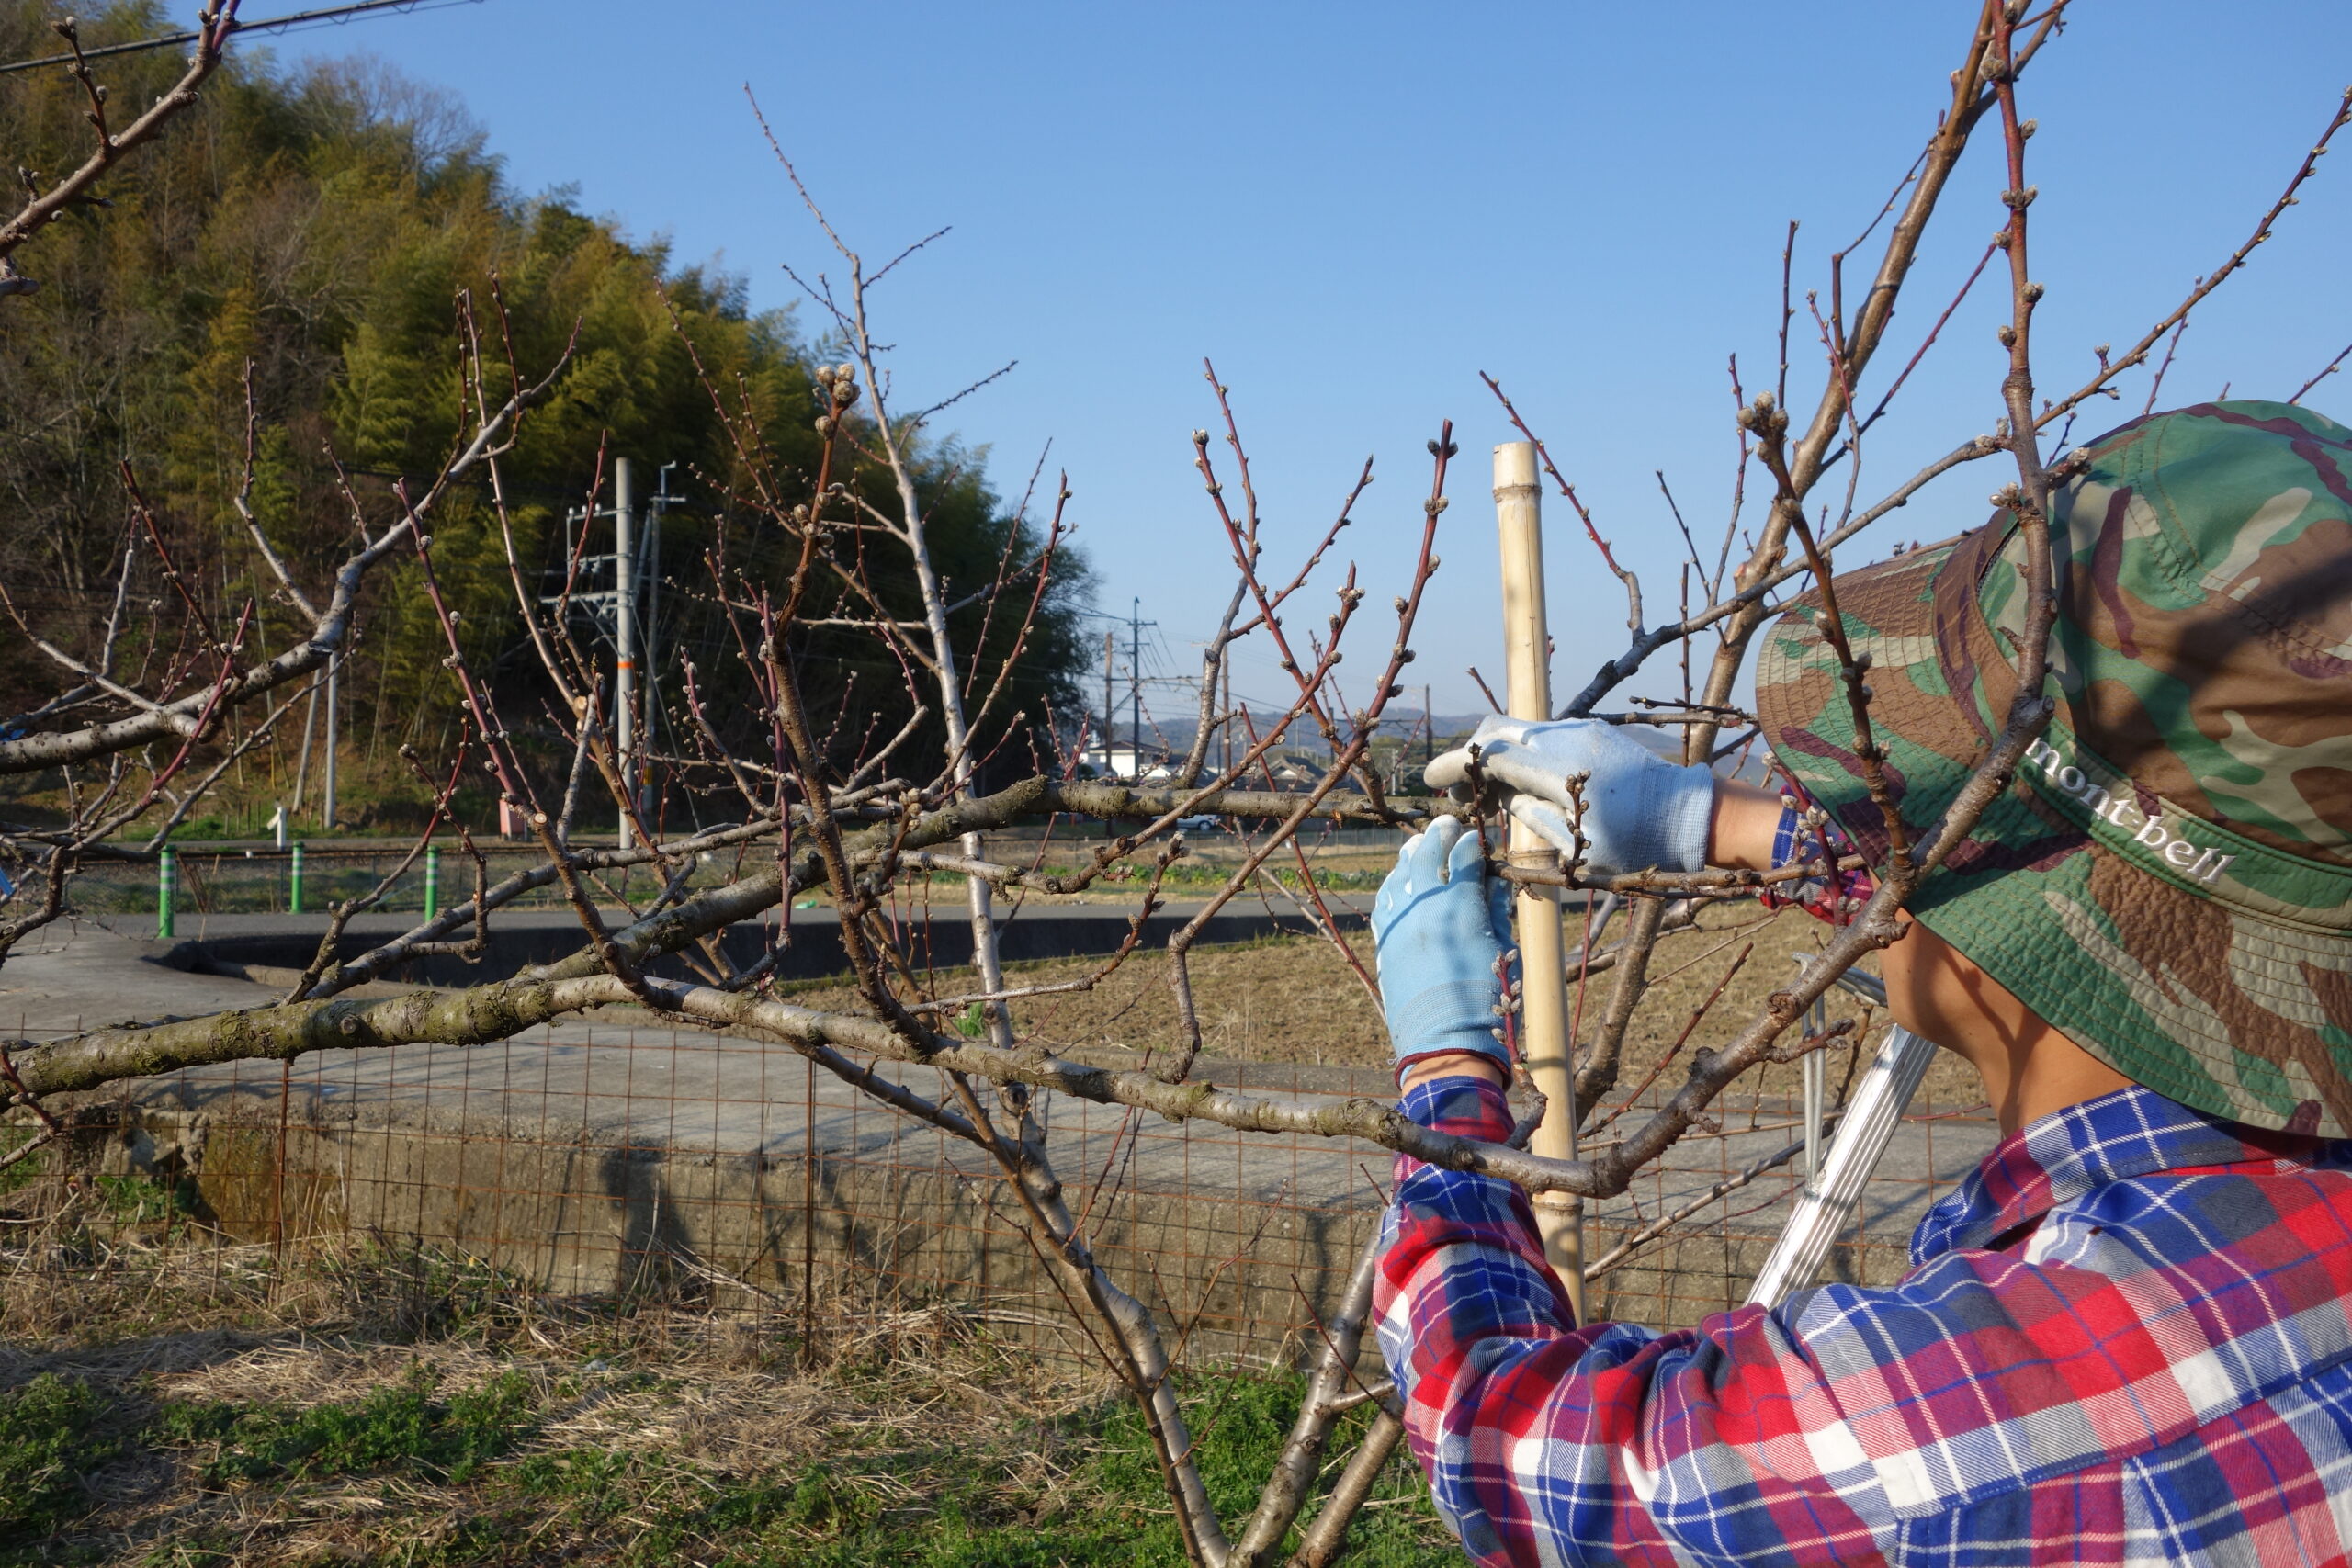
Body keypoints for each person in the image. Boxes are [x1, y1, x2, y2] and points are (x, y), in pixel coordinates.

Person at [1369, 400, 2352, 1566]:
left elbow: (1499, 1432)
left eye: (1908, 802)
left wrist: (1445, 1071)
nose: (1877, 847)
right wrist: (1708, 822)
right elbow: (2023, 889)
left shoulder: (1972, 1432)